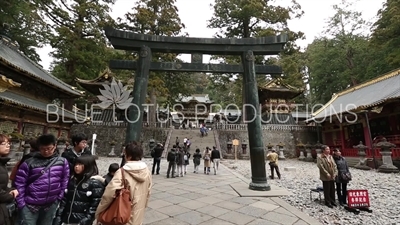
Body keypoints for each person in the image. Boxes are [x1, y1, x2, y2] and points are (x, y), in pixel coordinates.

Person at [14, 134, 70, 225]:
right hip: (29, 204)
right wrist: (21, 203)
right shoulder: (29, 162)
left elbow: (65, 180)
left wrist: (59, 197)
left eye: (49, 148)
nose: (46, 151)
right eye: (43, 149)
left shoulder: (62, 162)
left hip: (51, 203)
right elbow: (20, 183)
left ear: (55, 146)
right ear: (39, 148)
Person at [95, 142, 152, 225]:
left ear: (129, 156)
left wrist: (99, 212)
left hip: (122, 214)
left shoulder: (122, 172)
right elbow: (148, 192)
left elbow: (109, 194)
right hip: (138, 212)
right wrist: (143, 207)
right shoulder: (147, 171)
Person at [53, 155, 105, 225]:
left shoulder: (95, 183)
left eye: (80, 164)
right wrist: (58, 216)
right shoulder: (72, 181)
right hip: (66, 220)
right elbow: (64, 201)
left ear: (88, 166)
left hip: (81, 221)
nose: (76, 166)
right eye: (76, 164)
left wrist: (86, 220)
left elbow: (95, 205)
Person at [0, 134, 18, 225]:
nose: (8, 145)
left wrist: (11, 190)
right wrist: (10, 196)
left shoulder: (2, 163)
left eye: (8, 143)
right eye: (4, 143)